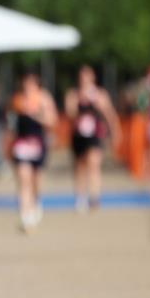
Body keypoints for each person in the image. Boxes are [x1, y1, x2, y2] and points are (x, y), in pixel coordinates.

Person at [64, 65, 121, 211]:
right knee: (80, 166)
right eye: (82, 77)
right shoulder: (73, 94)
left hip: (95, 134)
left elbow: (110, 114)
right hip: (78, 135)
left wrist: (115, 132)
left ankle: (94, 197)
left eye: (87, 76)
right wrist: (78, 102)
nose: (84, 79)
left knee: (94, 163)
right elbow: (69, 114)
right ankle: (80, 197)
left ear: (92, 78)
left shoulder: (100, 94)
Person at [9, 70, 57, 233]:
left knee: (35, 180)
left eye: (31, 82)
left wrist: (35, 114)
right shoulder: (17, 99)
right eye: (25, 82)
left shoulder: (44, 98)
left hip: (37, 143)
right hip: (21, 144)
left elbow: (52, 121)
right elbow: (11, 124)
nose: (27, 85)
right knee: (23, 179)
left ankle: (36, 203)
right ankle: (25, 216)